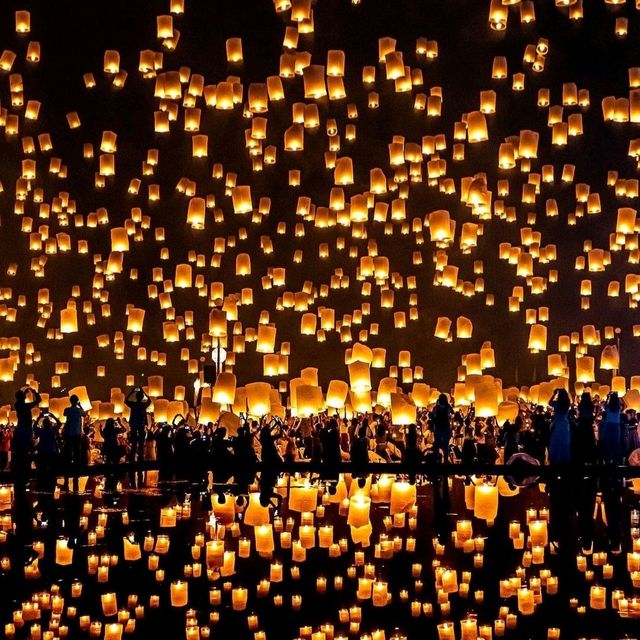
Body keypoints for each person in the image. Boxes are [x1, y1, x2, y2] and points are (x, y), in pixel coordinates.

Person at [12, 386, 41, 471]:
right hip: (27, 429)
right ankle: (26, 466)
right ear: (23, 397)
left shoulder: (17, 405)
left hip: (20, 428)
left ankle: (21, 466)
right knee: (27, 447)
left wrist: (25, 392)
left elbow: (20, 399)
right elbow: (38, 400)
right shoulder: (27, 406)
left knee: (21, 448)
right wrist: (34, 392)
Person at [125, 387, 151, 462]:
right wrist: (143, 392)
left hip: (134, 424)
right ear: (142, 397)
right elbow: (149, 400)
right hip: (141, 424)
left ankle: (132, 460)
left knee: (134, 444)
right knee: (141, 444)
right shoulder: (143, 405)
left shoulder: (133, 405)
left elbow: (126, 401)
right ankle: (140, 460)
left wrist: (132, 392)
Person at [599, 392, 624, 464]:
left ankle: (607, 460)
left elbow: (603, 405)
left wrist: (607, 398)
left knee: (608, 443)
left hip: (609, 425)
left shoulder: (608, 406)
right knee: (616, 443)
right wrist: (620, 398)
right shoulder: (618, 407)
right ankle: (615, 461)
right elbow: (625, 405)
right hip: (616, 426)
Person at [548, 388, 571, 463]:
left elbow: (549, 402)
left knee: (556, 441)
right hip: (565, 423)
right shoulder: (567, 403)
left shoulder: (556, 403)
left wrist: (554, 394)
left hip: (557, 423)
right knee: (564, 442)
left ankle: (555, 459)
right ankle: (564, 459)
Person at [430, 393, 453, 462]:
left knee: (437, 445)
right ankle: (445, 460)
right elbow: (452, 413)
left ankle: (437, 460)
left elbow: (432, 416)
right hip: (446, 428)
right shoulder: (448, 407)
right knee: (445, 446)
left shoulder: (436, 408)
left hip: (438, 428)